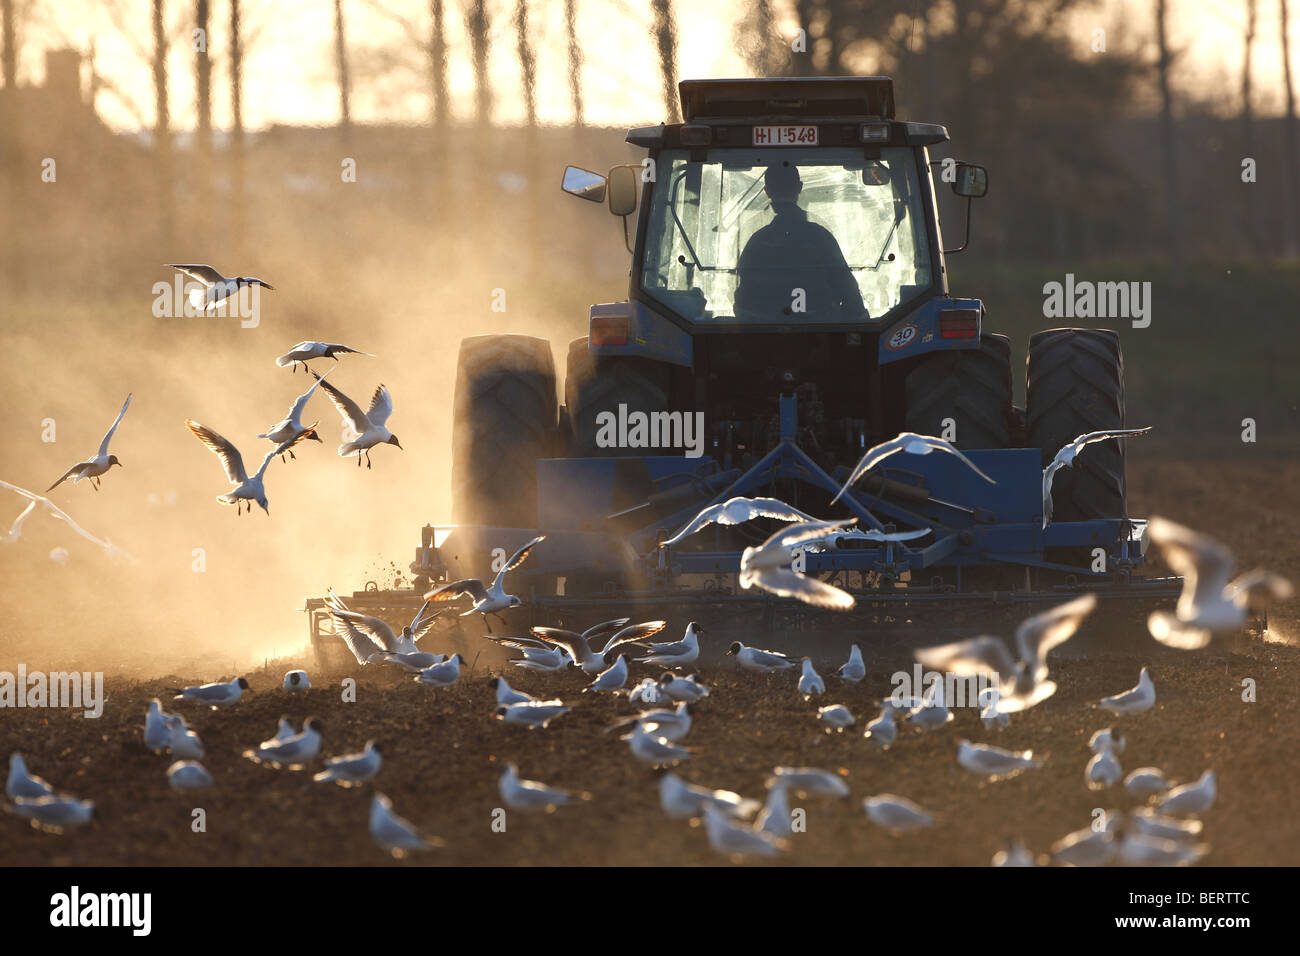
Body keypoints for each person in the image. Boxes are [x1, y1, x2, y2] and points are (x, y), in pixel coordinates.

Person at [733, 163, 867, 321]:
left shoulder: (757, 241)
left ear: (767, 192)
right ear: (799, 188)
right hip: (821, 334)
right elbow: (847, 288)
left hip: (765, 334)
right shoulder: (821, 237)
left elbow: (743, 301)